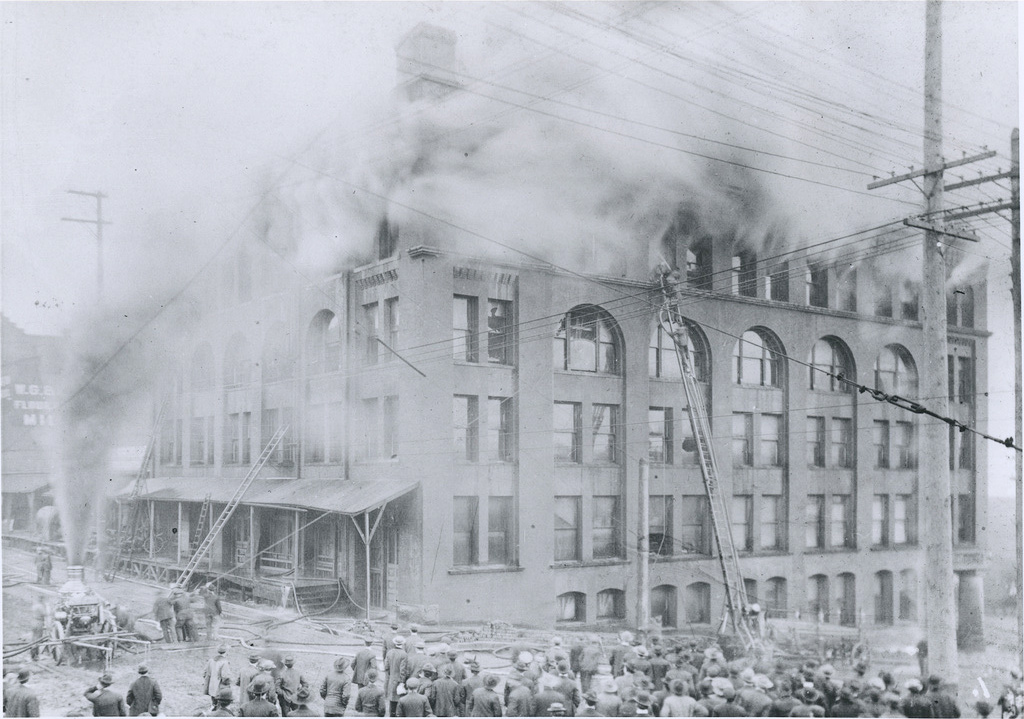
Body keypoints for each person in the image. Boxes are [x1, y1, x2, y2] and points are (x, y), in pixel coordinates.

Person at [386, 636, 411, 717]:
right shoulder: (404, 654)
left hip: (391, 679)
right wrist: (402, 682)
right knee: (399, 700)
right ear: (402, 644)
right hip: (399, 680)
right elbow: (403, 670)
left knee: (392, 700)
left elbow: (386, 666)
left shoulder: (389, 652)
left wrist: (390, 674)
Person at [204, 645, 234, 709]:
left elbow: (205, 672)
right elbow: (225, 676)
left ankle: (213, 707)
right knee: (220, 700)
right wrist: (229, 682)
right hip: (219, 685)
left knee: (213, 699)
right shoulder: (224, 662)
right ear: (226, 652)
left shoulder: (211, 660)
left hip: (212, 684)